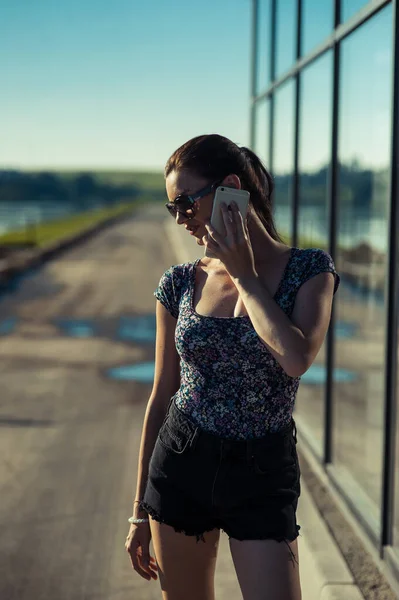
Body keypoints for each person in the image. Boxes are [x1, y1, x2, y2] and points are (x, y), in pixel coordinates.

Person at [125, 134, 340, 600]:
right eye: (172, 209)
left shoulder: (310, 270)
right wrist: (139, 510)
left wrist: (242, 273)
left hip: (262, 472)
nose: (181, 219)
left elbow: (295, 357)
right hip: (181, 462)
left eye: (185, 203)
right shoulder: (180, 282)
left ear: (229, 188)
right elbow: (162, 393)